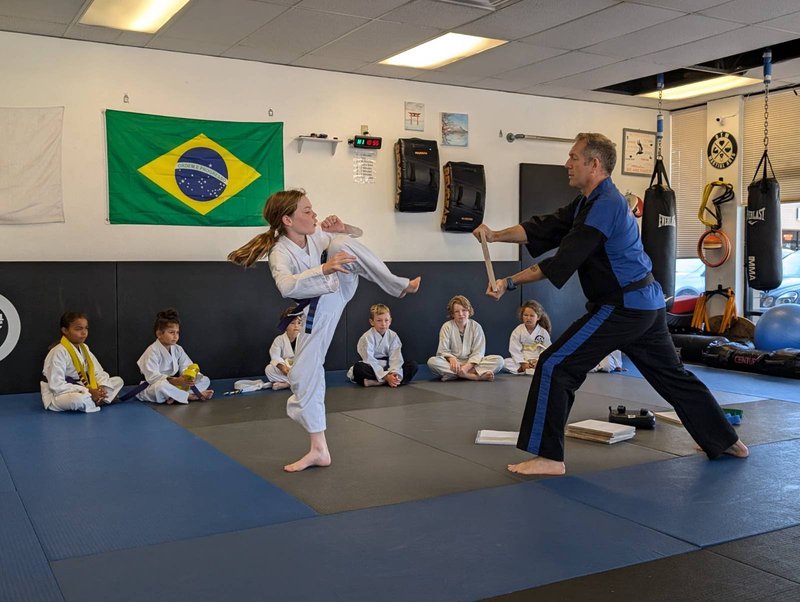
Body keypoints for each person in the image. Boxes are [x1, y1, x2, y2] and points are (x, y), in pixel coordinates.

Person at [473, 132, 748, 476]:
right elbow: (543, 227)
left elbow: (564, 259)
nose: (567, 164)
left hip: (623, 306)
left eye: (574, 157)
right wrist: (495, 235)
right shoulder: (588, 200)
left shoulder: (605, 205)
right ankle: (725, 440)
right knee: (672, 376)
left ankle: (549, 458)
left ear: (594, 164)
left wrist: (509, 282)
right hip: (647, 305)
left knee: (556, 365)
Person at [228, 189, 420, 472]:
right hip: (317, 307)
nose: (314, 215)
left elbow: (357, 236)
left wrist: (345, 229)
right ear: (288, 220)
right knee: (304, 375)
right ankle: (319, 449)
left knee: (343, 241)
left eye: (312, 209)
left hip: (339, 289)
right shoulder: (280, 251)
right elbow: (286, 286)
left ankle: (397, 285)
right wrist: (325, 269)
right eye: (307, 211)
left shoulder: (316, 236)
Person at [41, 311, 124, 413]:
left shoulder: (84, 348)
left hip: (84, 386)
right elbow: (56, 385)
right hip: (60, 393)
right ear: (65, 330)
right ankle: (99, 399)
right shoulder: (58, 352)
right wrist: (88, 391)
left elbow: (98, 371)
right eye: (78, 329)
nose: (84, 332)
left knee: (117, 381)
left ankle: (98, 398)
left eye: (86, 328)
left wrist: (101, 387)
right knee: (79, 399)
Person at [135, 308, 213, 404]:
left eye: (177, 332)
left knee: (204, 380)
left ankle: (175, 396)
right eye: (171, 332)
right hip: (154, 386)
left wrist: (188, 377)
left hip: (176, 384)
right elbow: (152, 378)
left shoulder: (177, 349)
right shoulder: (152, 351)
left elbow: (186, 366)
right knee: (161, 387)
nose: (175, 336)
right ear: (159, 334)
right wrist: (175, 381)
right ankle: (188, 396)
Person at [427, 295, 504, 381]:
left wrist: (467, 367)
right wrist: (451, 359)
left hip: (472, 364)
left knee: (499, 361)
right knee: (432, 362)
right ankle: (475, 376)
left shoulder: (476, 327)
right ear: (452, 314)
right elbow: (443, 350)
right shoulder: (447, 327)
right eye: (457, 311)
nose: (461, 314)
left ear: (469, 311)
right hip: (453, 364)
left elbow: (478, 352)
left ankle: (457, 375)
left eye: (464, 310)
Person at [347, 303, 418, 387]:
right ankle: (391, 381)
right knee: (359, 368)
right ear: (372, 322)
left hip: (388, 366)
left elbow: (396, 357)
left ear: (390, 321)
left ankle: (379, 382)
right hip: (372, 367)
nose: (383, 324)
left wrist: (393, 373)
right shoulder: (366, 337)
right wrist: (386, 376)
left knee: (413, 365)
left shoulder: (393, 335)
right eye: (379, 320)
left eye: (386, 320)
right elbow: (369, 359)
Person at [504, 300, 552, 375]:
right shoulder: (518, 331)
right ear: (522, 316)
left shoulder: (543, 332)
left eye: (532, 316)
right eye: (525, 315)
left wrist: (538, 361)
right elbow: (514, 349)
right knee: (505, 362)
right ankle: (525, 369)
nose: (528, 318)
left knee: (551, 362)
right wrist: (523, 363)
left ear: (538, 317)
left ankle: (527, 370)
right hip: (523, 360)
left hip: (537, 360)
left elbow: (547, 349)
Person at [265, 305, 303, 391]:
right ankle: (295, 383)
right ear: (285, 325)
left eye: (299, 323)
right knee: (269, 369)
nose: (296, 326)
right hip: (286, 370)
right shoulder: (279, 340)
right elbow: (275, 357)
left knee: (313, 370)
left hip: (300, 368)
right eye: (292, 323)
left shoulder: (304, 339)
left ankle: (287, 384)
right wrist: (284, 369)